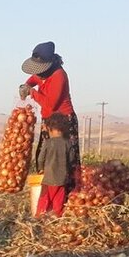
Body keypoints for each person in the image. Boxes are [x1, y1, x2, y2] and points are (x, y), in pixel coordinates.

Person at [19, 41, 80, 192]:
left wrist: (32, 93)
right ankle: (46, 192)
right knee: (44, 156)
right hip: (48, 121)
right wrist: (26, 85)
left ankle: (68, 194)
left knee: (65, 160)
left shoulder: (59, 75)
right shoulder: (42, 72)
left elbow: (51, 104)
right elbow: (34, 79)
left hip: (63, 123)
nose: (37, 72)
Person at [36, 114, 72, 217]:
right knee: (59, 199)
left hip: (48, 178)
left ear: (50, 129)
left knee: (44, 198)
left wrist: (41, 168)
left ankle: (40, 216)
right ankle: (57, 216)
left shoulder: (48, 143)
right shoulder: (68, 143)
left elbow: (40, 158)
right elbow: (71, 160)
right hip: (62, 178)